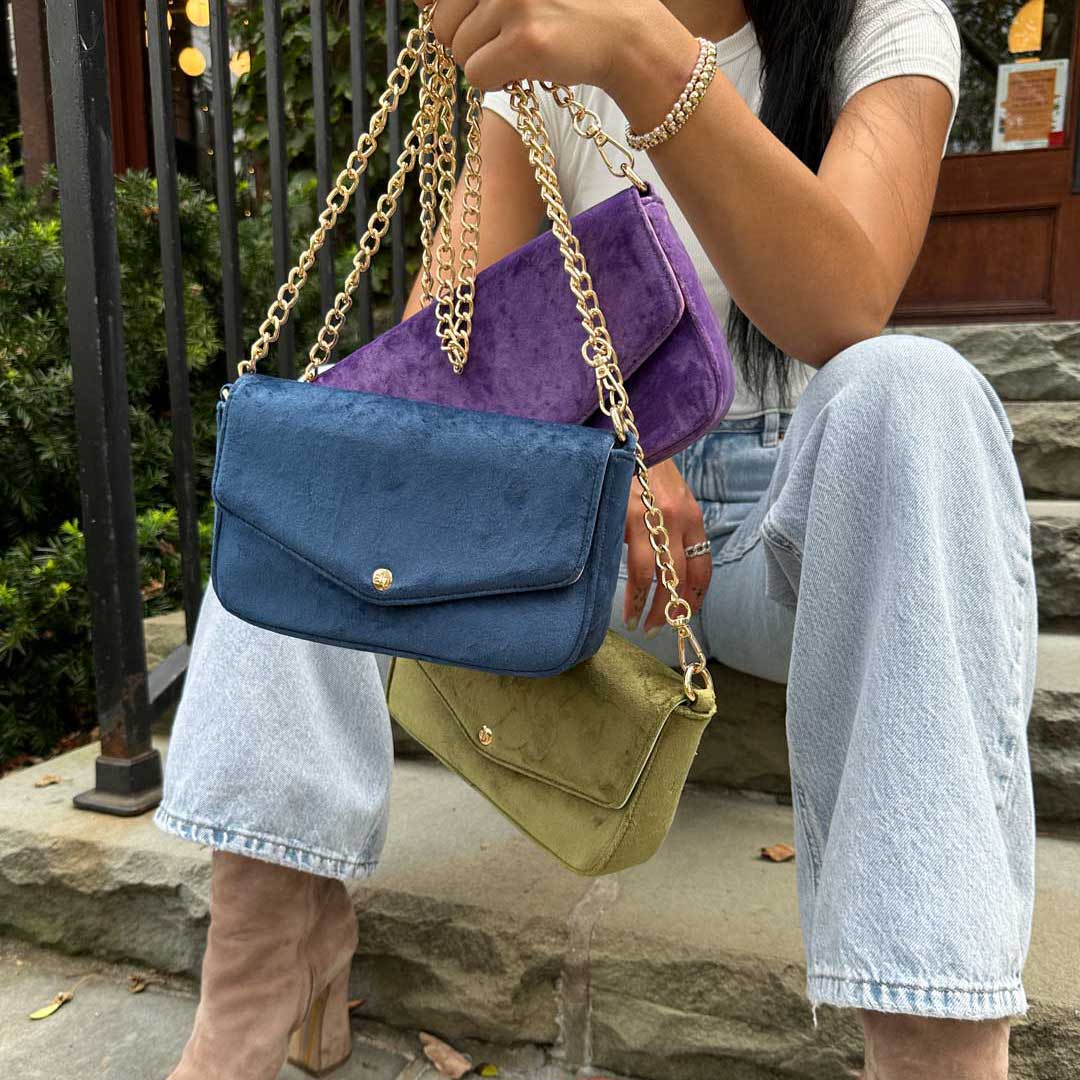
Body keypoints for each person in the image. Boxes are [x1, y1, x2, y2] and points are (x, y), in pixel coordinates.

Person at [159, 2, 1037, 1078]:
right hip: (587, 542)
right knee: (331, 446)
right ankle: (260, 969)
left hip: (793, 524)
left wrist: (631, 47)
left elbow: (844, 301)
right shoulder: (536, 45)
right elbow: (449, 348)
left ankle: (934, 1047)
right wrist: (592, 446)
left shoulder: (882, 22)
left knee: (913, 390)